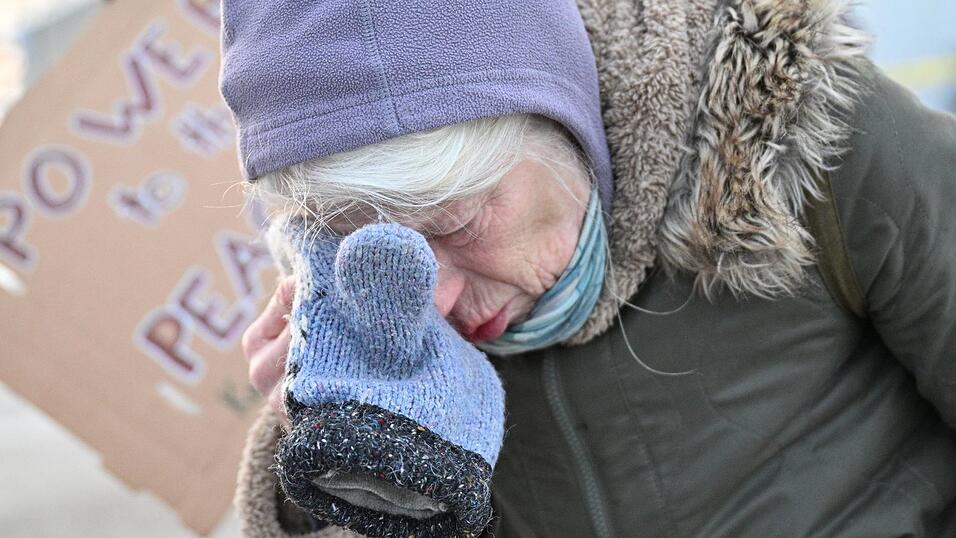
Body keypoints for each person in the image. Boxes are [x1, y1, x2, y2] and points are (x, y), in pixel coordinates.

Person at [222, 0, 956, 536]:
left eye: (458, 224)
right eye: (365, 246)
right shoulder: (372, 321)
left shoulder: (808, 142)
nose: (436, 296)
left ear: (564, 125)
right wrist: (335, 457)